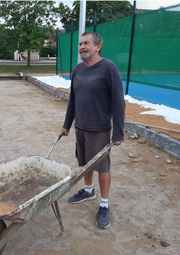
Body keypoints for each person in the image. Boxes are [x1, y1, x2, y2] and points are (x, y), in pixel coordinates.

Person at [61, 31, 125, 229]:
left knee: (102, 167)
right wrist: (67, 124)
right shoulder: (77, 69)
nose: (82, 47)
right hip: (81, 126)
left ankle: (104, 205)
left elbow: (118, 102)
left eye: (87, 43)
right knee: (84, 163)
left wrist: (118, 132)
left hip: (99, 129)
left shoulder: (108, 69)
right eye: (80, 44)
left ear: (98, 46)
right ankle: (88, 191)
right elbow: (73, 100)